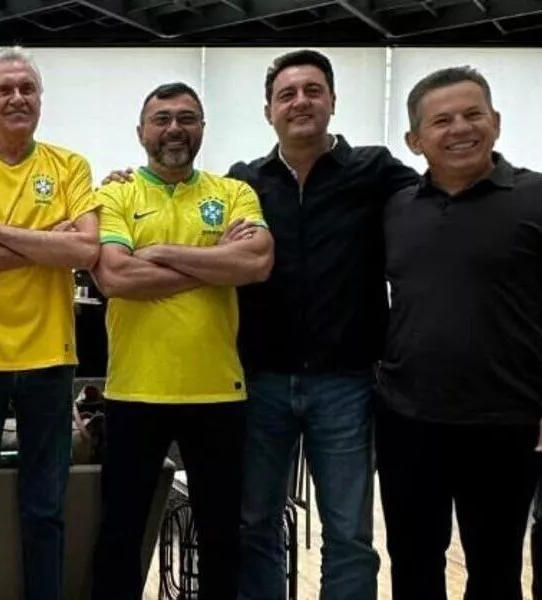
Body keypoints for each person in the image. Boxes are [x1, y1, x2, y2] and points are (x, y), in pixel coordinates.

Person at [226, 50, 418, 600]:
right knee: (254, 525)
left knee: (349, 534)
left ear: (333, 100)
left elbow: (438, 201)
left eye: (313, 90)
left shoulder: (375, 171)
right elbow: (188, 213)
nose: (300, 102)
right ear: (268, 111)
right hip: (260, 380)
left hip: (347, 384)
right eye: (286, 94)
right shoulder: (243, 182)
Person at [89, 82, 274, 600]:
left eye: (187, 118)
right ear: (141, 131)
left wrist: (159, 253)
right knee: (120, 534)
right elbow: (117, 277)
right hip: (134, 390)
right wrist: (215, 264)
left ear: (202, 128)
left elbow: (257, 262)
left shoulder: (233, 193)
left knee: (221, 537)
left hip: (218, 391)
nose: (175, 129)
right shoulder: (114, 194)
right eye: (162, 119)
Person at [0, 47, 100, 600]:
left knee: (46, 510)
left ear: (41, 100)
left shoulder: (70, 166)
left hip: (50, 358)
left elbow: (85, 249)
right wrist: (45, 240)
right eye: (3, 90)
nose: (17, 98)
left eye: (27, 88)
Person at [378, 65, 542, 600]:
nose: (460, 128)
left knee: (495, 571)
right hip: (407, 419)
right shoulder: (396, 209)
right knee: (412, 567)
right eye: (442, 120)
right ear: (415, 140)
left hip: (505, 420)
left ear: (496, 121)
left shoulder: (535, 197)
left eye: (473, 114)